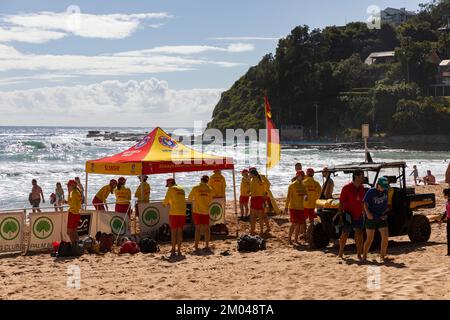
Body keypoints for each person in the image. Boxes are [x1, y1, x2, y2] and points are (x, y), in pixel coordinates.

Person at [338, 170, 366, 260]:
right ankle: (340, 253)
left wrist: (364, 212)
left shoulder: (362, 188)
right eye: (362, 176)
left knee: (360, 234)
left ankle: (359, 255)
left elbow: (363, 202)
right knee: (345, 233)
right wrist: (340, 214)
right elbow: (341, 202)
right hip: (348, 215)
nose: (363, 178)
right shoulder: (346, 188)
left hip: (359, 215)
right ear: (356, 177)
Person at [362, 177, 390, 262]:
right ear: (378, 185)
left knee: (385, 237)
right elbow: (365, 203)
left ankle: (382, 257)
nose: (384, 188)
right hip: (372, 217)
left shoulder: (386, 191)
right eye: (383, 186)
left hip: (381, 217)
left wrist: (385, 213)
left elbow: (386, 204)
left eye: (386, 186)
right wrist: (368, 214)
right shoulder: (371, 191)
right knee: (370, 239)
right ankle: (364, 257)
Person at [188, 175, 213, 252]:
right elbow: (210, 201)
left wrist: (197, 199)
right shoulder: (209, 189)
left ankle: (196, 246)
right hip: (205, 211)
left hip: (197, 211)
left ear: (201, 180)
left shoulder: (195, 188)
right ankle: (207, 245)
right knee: (207, 229)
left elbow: (189, 198)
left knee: (198, 229)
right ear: (207, 181)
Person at [163, 178, 187, 257]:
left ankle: (173, 250)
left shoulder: (171, 189)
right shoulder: (182, 189)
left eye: (168, 185)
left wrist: (165, 204)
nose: (168, 186)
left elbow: (165, 202)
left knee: (173, 233)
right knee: (180, 232)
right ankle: (179, 251)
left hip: (174, 213)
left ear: (170, 184)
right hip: (182, 213)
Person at [285, 170, 307, 245]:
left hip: (301, 207)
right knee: (294, 223)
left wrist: (306, 197)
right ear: (297, 176)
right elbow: (288, 197)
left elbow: (305, 195)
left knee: (299, 224)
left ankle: (296, 240)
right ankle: (289, 239)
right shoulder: (292, 185)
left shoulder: (304, 185)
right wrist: (286, 206)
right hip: (293, 207)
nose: (302, 177)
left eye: (303, 176)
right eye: (301, 175)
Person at [249, 167, 268, 236]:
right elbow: (265, 191)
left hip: (254, 199)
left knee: (253, 216)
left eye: (250, 174)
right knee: (261, 216)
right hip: (261, 199)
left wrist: (249, 192)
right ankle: (261, 231)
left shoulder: (252, 181)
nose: (249, 175)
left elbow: (251, 191)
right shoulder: (261, 180)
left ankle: (252, 231)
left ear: (253, 174)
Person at [66, 179, 82, 245]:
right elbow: (73, 203)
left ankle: (74, 246)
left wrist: (69, 194)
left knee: (69, 232)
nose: (67, 187)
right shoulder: (77, 191)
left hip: (73, 213)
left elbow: (72, 204)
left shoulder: (74, 193)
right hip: (77, 213)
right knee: (74, 230)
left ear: (73, 185)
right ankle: (77, 245)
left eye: (68, 185)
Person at [439, 188, 450, 256]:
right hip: (449, 220)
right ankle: (449, 252)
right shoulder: (447, 201)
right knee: (448, 236)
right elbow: (446, 212)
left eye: (444, 194)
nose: (443, 195)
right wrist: (442, 219)